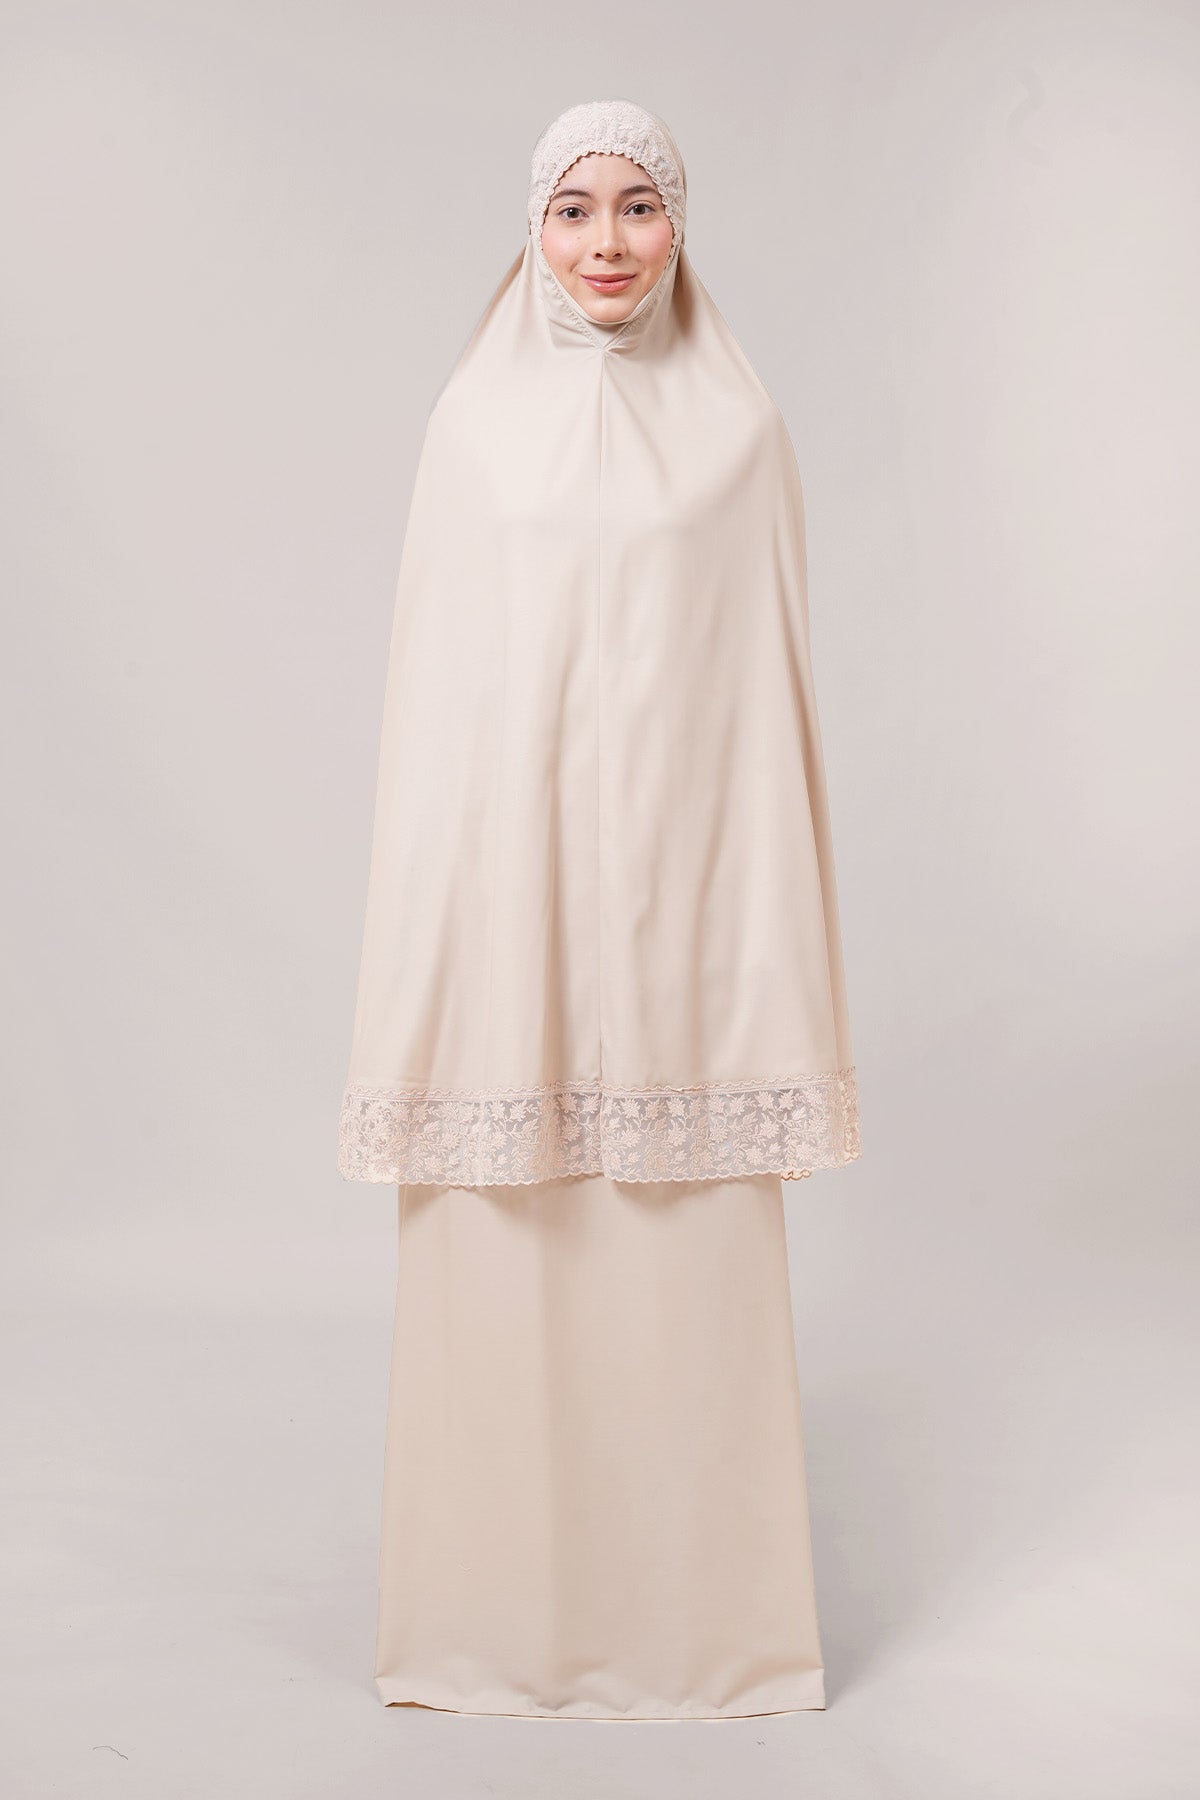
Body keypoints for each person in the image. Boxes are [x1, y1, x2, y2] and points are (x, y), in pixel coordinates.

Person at [338, 98, 862, 1720]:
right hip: (510, 915)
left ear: (681, 223)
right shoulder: (472, 429)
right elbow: (439, 709)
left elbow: (761, 710)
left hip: (691, 917)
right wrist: (445, 926)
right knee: (507, 1265)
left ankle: (712, 1642)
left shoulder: (738, 431)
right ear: (533, 227)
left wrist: (743, 920)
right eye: (575, 208)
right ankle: (486, 1632)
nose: (609, 241)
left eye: (640, 204)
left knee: (678, 1273)